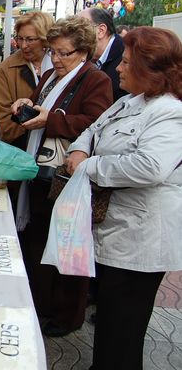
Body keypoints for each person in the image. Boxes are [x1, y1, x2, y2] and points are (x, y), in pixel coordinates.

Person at [64, 27, 182, 370]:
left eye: (127, 63)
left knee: (122, 334)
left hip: (140, 240)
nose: (118, 67)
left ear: (150, 70)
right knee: (111, 328)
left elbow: (150, 167)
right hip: (117, 233)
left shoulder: (170, 111)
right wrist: (80, 149)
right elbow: (91, 130)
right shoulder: (131, 100)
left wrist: (89, 166)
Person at [10, 16, 113, 338]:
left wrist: (50, 121)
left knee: (66, 245)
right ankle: (41, 304)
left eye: (63, 53)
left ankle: (67, 315)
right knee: (40, 239)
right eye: (53, 51)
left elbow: (95, 125)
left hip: (65, 176)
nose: (55, 59)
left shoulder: (95, 80)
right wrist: (27, 104)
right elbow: (42, 107)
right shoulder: (54, 75)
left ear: (83, 51)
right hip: (40, 170)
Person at [0, 11, 54, 151]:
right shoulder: (7, 68)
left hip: (54, 146)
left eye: (30, 39)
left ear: (45, 39)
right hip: (18, 148)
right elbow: (4, 117)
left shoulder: (59, 64)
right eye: (20, 38)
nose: (23, 45)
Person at [79, 8, 126, 101]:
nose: (73, 35)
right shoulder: (85, 58)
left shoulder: (125, 57)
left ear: (101, 30)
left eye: (80, 29)